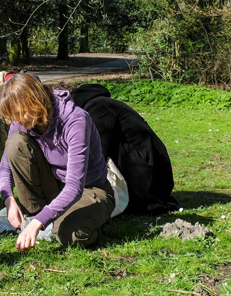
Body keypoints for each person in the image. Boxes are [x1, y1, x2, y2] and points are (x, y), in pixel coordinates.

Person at [0, 73, 115, 250]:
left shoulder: (76, 120)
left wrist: (38, 223)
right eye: (13, 116)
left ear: (34, 102)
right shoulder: (21, 121)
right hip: (55, 184)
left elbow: (75, 186)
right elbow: (4, 167)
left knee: (70, 234)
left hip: (88, 189)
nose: (18, 121)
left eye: (20, 114)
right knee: (15, 143)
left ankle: (87, 217)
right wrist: (8, 200)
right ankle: (39, 214)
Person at [70, 83, 177, 215]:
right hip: (152, 168)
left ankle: (141, 200)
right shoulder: (103, 104)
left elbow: (98, 151)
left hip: (151, 173)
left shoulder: (98, 108)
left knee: (97, 149)